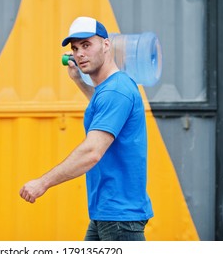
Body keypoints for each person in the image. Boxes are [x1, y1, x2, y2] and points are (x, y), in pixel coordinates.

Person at [19, 16, 153, 241]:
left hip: (119, 218)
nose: (80, 53)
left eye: (87, 45)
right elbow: (104, 111)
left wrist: (42, 183)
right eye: (75, 48)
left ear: (106, 45)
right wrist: (80, 81)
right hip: (107, 213)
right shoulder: (110, 88)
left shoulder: (116, 90)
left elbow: (92, 152)